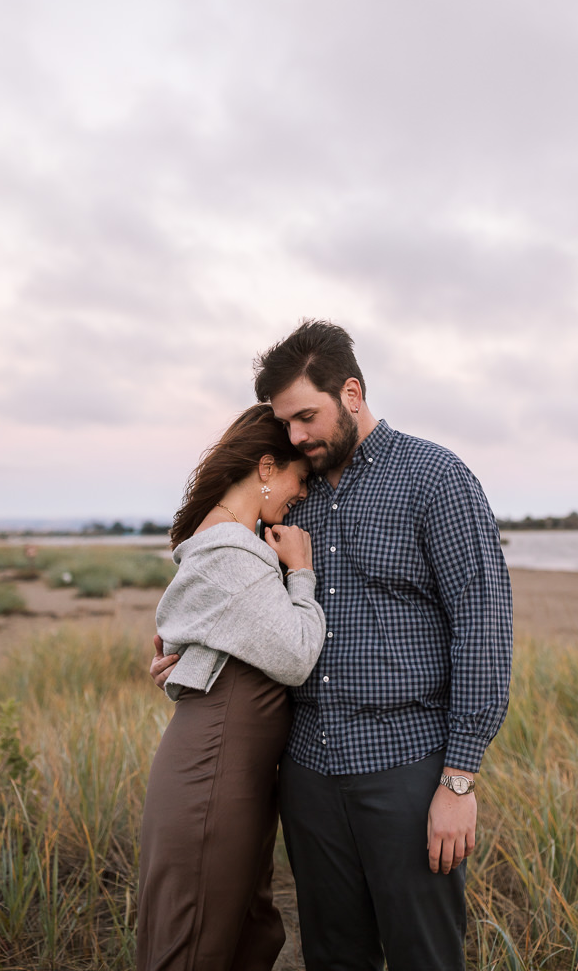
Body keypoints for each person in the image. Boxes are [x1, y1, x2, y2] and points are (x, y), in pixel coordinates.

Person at [152, 321, 513, 971]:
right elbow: (229, 582)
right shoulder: (293, 496)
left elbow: (483, 623)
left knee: (424, 957)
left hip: (406, 766)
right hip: (307, 773)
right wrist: (193, 648)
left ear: (351, 392)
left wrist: (458, 782)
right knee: (333, 957)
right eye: (285, 423)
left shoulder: (436, 478)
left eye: (306, 417)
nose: (296, 437)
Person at [137, 403, 326, 971]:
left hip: (230, 767)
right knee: (197, 941)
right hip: (214, 772)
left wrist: (189, 661)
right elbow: (295, 656)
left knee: (244, 930)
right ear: (266, 468)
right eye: (300, 477)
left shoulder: (234, 545)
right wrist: (303, 572)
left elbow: (207, 632)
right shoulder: (232, 550)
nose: (304, 493)